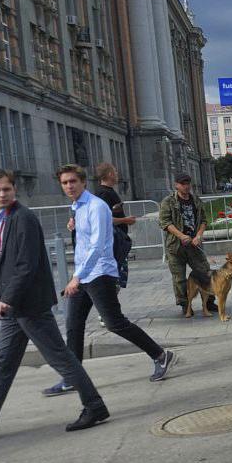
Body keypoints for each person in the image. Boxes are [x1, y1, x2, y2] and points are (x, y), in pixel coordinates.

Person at [0, 170, 110, 440]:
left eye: (6, 189)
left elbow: (26, 264)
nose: (2, 194)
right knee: (3, 363)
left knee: (60, 357)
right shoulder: (4, 218)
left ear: (14, 190)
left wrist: (7, 298)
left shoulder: (23, 218)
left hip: (29, 305)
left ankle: (95, 406)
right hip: (16, 308)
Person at [43, 164, 174, 396]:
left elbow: (98, 246)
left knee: (115, 323)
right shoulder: (78, 207)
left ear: (83, 182)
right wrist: (74, 228)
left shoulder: (96, 206)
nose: (69, 186)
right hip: (84, 274)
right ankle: (72, 377)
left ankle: (161, 355)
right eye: (64, 183)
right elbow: (84, 242)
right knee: (73, 325)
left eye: (73, 181)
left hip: (99, 273)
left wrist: (77, 277)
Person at [158, 173, 214, 314]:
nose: (187, 186)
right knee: (179, 278)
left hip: (194, 246)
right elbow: (165, 223)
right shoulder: (168, 201)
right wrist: (181, 236)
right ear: (176, 185)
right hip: (175, 247)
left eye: (188, 183)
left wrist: (199, 235)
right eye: (183, 183)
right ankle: (185, 304)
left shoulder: (196, 200)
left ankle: (209, 302)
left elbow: (203, 220)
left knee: (205, 272)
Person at [93, 162, 136, 288]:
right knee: (113, 282)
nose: (117, 174)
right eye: (115, 172)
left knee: (116, 282)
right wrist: (125, 220)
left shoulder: (108, 191)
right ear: (110, 174)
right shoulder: (103, 193)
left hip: (117, 241)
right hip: (113, 243)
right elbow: (105, 219)